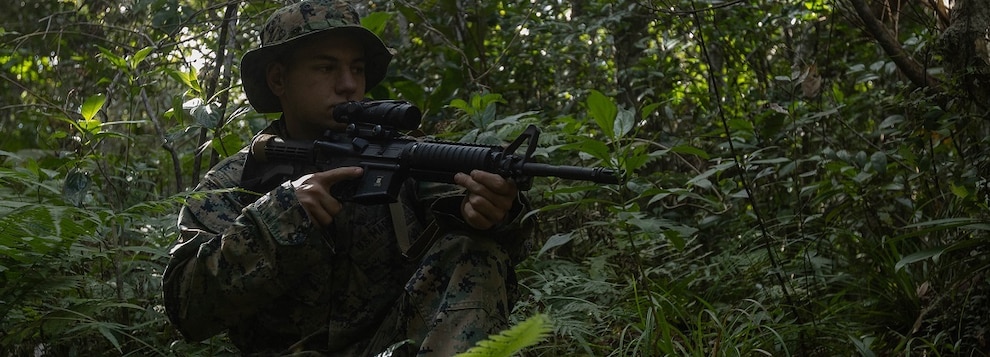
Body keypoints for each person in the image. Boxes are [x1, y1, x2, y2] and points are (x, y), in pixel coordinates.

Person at [161, 1, 535, 355]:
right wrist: (278, 217)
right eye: (326, 68)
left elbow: (503, 235)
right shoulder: (234, 180)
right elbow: (187, 308)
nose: (348, 84)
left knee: (476, 250)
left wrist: (498, 212)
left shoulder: (401, 157)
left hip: (399, 345)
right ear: (278, 79)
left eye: (357, 69)